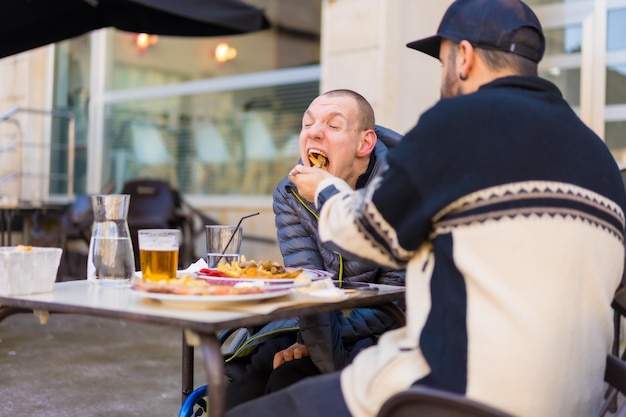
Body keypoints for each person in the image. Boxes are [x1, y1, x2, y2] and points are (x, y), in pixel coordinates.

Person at [227, 1, 626, 417]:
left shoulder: (455, 126)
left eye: (442, 63)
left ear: (464, 57)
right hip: (580, 403)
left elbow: (367, 235)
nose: (442, 77)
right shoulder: (597, 155)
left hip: (455, 394)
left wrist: (325, 190)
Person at [224, 89, 405, 409]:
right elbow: (306, 278)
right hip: (310, 319)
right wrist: (308, 335)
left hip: (386, 329)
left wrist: (317, 337)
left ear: (365, 144)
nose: (315, 132)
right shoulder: (290, 193)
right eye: (307, 125)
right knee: (254, 372)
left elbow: (395, 298)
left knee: (290, 375)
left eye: (333, 126)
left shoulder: (399, 192)